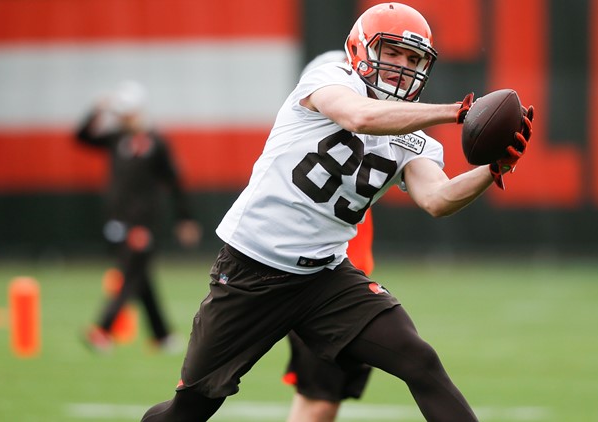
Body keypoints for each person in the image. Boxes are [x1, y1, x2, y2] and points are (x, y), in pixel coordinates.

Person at [142, 3, 533, 421]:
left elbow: (438, 198)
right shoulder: (329, 79)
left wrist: (494, 170)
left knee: (419, 360)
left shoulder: (414, 136)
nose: (404, 66)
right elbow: (359, 116)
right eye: (394, 52)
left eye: (414, 59)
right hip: (252, 270)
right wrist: (455, 112)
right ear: (360, 50)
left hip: (323, 278)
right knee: (189, 410)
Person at [282, 50, 376, 422]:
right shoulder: (320, 147)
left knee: (321, 399)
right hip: (324, 289)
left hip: (340, 285)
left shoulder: (353, 146)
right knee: (319, 401)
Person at [76, 80, 202, 353]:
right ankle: (162, 336)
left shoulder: (155, 142)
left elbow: (174, 181)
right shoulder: (116, 138)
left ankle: (102, 330)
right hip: (117, 222)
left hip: (143, 223)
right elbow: (81, 137)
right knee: (140, 278)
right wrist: (97, 109)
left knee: (131, 276)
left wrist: (185, 218)